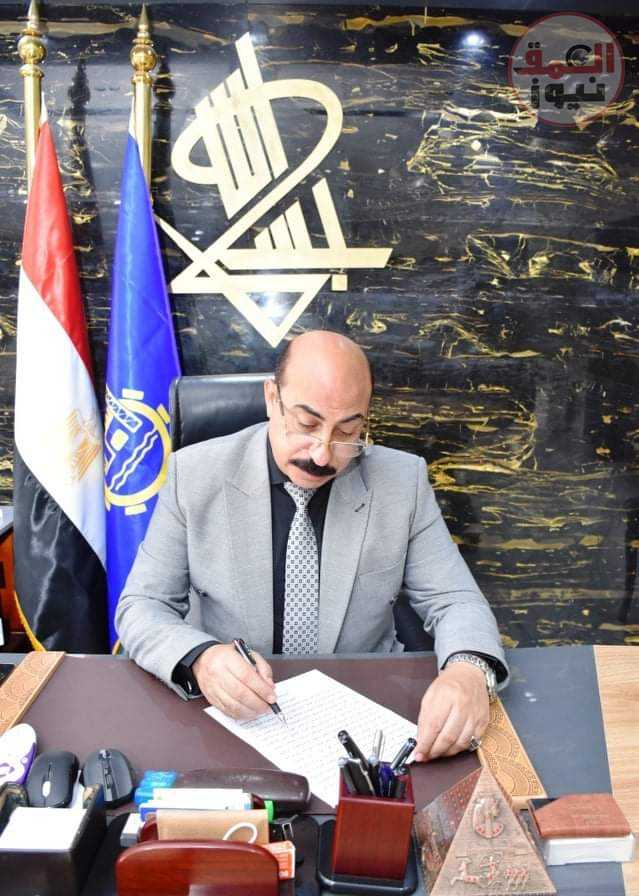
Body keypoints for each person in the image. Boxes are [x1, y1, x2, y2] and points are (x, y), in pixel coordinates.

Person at [116, 330, 508, 761]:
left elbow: (456, 600)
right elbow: (142, 606)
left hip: (363, 711)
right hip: (233, 716)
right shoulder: (195, 474)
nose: (322, 455)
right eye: (306, 425)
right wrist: (201, 659)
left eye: (347, 431)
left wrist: (470, 671)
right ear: (272, 399)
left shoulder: (402, 483)